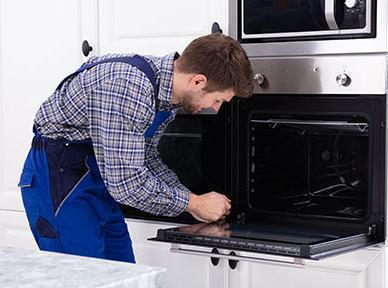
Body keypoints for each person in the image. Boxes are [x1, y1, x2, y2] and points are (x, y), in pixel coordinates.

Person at [17, 33, 253, 263]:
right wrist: (193, 203)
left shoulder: (165, 95)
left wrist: (192, 202)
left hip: (97, 180)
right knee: (83, 278)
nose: (215, 109)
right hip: (61, 181)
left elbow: (146, 158)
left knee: (124, 275)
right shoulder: (128, 85)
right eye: (218, 100)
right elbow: (126, 184)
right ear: (198, 81)